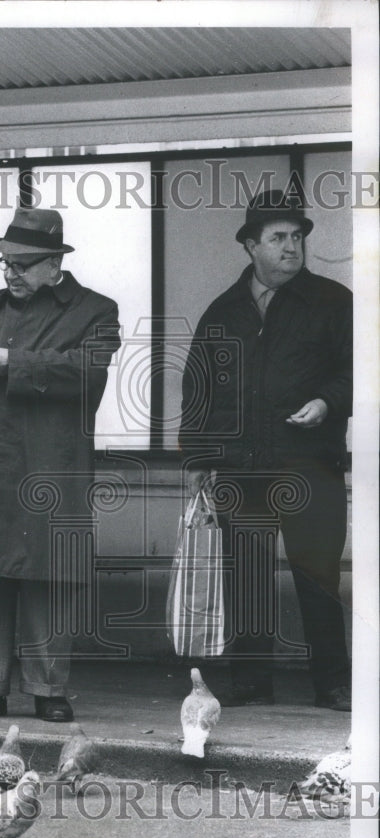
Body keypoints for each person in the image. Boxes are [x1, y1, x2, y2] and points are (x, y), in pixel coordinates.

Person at [0, 207, 120, 722]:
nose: (10, 273)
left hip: (50, 466)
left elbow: (88, 373)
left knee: (49, 577)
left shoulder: (96, 311)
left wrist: (13, 364)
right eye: (5, 263)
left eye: (21, 263)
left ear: (54, 263)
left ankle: (48, 688)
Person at [179, 189, 352, 711]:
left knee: (317, 574)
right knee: (247, 574)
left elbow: (361, 368)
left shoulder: (332, 301)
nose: (291, 247)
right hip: (241, 469)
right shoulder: (222, 311)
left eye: (297, 237)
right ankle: (253, 681)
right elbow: (198, 389)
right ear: (251, 245)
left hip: (310, 464)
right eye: (278, 237)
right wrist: (200, 458)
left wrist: (326, 401)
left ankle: (333, 684)